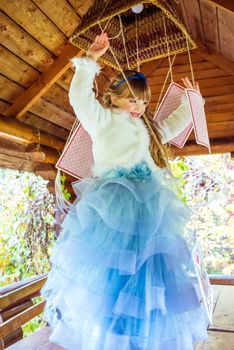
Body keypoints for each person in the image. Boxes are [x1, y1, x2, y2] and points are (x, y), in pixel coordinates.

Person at [41, 33, 210, 350]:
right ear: (114, 97)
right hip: (114, 203)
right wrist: (89, 62)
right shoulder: (101, 119)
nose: (139, 106)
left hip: (150, 206)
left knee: (152, 268)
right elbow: (79, 97)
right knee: (115, 271)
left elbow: (174, 123)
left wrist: (192, 101)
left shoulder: (148, 127)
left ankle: (146, 337)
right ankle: (113, 337)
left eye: (144, 100)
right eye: (132, 98)